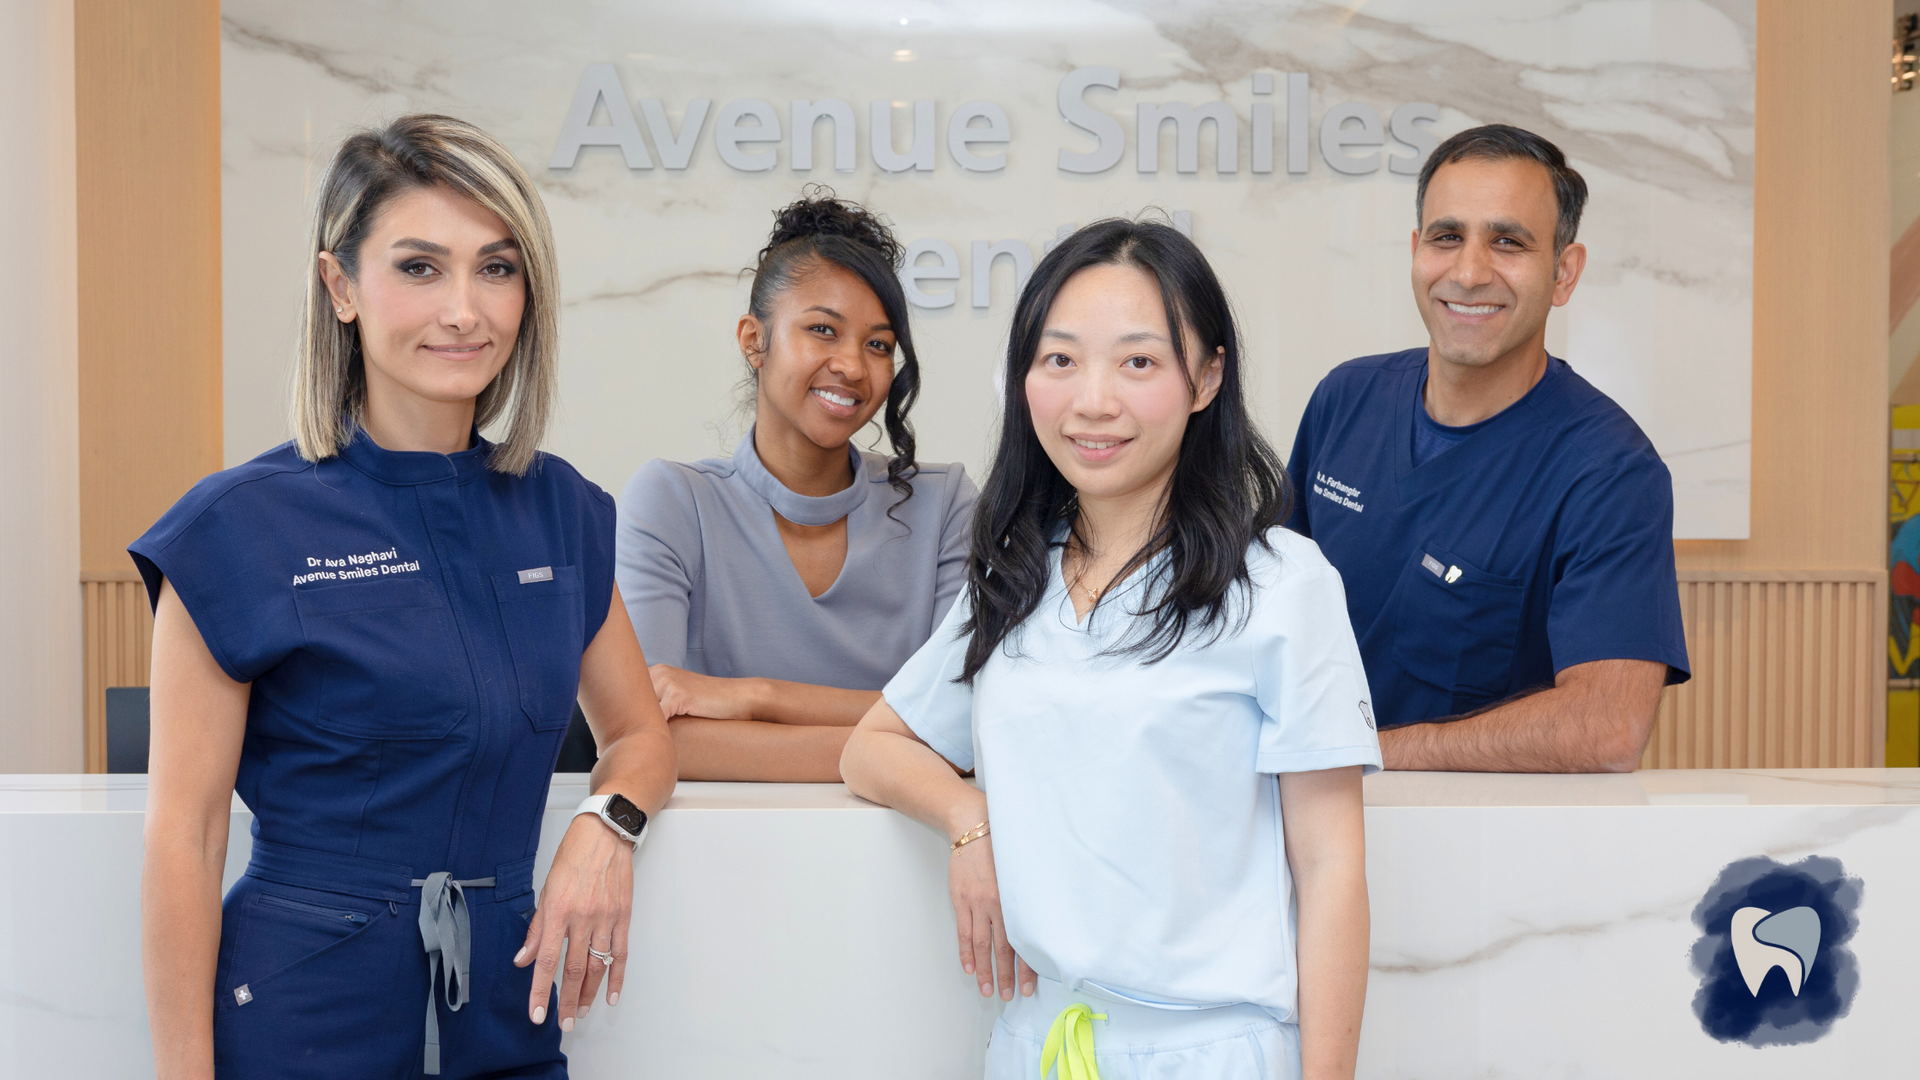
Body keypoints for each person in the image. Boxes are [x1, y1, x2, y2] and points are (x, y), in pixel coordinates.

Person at [134, 115, 676, 1080]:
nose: (464, 310)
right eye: (419, 267)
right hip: (304, 1008)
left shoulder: (564, 513)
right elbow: (187, 833)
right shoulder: (235, 529)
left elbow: (638, 735)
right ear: (339, 286)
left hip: (508, 1006)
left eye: (497, 269)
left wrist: (606, 828)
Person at [841, 218, 1378, 1080]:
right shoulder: (1014, 576)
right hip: (1037, 1041)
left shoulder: (1282, 584)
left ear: (1206, 377)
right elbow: (870, 749)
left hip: (1214, 1050)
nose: (1093, 400)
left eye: (1138, 361)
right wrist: (970, 824)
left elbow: (1330, 868)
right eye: (1059, 360)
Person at [1286, 124, 1691, 773]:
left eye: (1508, 242)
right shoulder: (1345, 401)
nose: (1470, 272)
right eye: (1448, 237)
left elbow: (1606, 728)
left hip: (1485, 850)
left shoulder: (1610, 472)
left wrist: (1362, 758)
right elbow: (1271, 614)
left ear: (1564, 272)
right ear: (1417, 251)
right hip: (1305, 820)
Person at [617, 192, 976, 782]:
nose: (854, 367)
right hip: (723, 859)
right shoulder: (674, 502)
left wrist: (754, 698)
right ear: (753, 340)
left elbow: (957, 725)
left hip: (913, 858)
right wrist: (901, 742)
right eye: (822, 330)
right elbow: (647, 737)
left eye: (878, 345)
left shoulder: (945, 507)